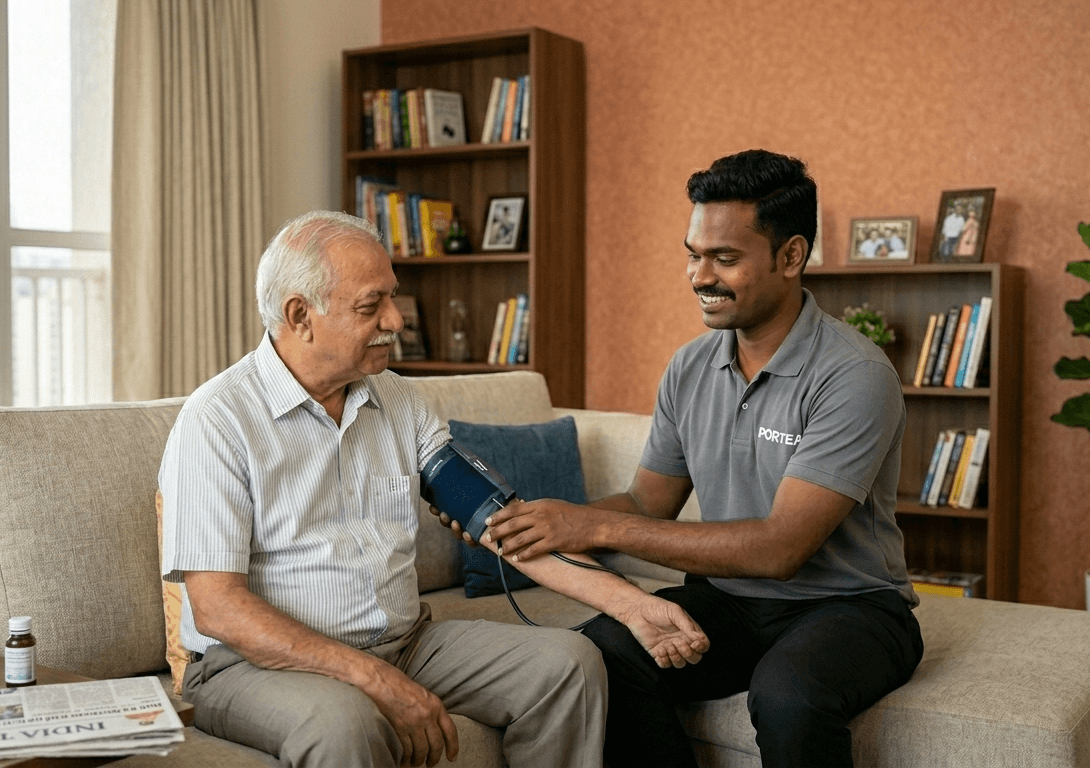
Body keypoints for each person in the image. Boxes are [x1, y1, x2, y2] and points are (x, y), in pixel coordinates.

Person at [159, 210, 708, 768]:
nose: (396, 320)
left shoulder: (396, 400)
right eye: (371, 306)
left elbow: (503, 521)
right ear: (300, 315)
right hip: (254, 665)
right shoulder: (217, 420)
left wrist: (634, 606)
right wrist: (372, 679)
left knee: (569, 663)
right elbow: (219, 609)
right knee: (345, 722)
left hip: (406, 644)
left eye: (392, 298)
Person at [478, 150, 925, 768]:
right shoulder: (690, 367)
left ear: (791, 256)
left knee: (788, 695)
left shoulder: (853, 374)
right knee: (604, 652)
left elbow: (780, 549)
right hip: (729, 602)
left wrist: (596, 525)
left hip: (851, 608)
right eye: (693, 253)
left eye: (725, 258)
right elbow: (645, 503)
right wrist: (539, 520)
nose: (699, 275)